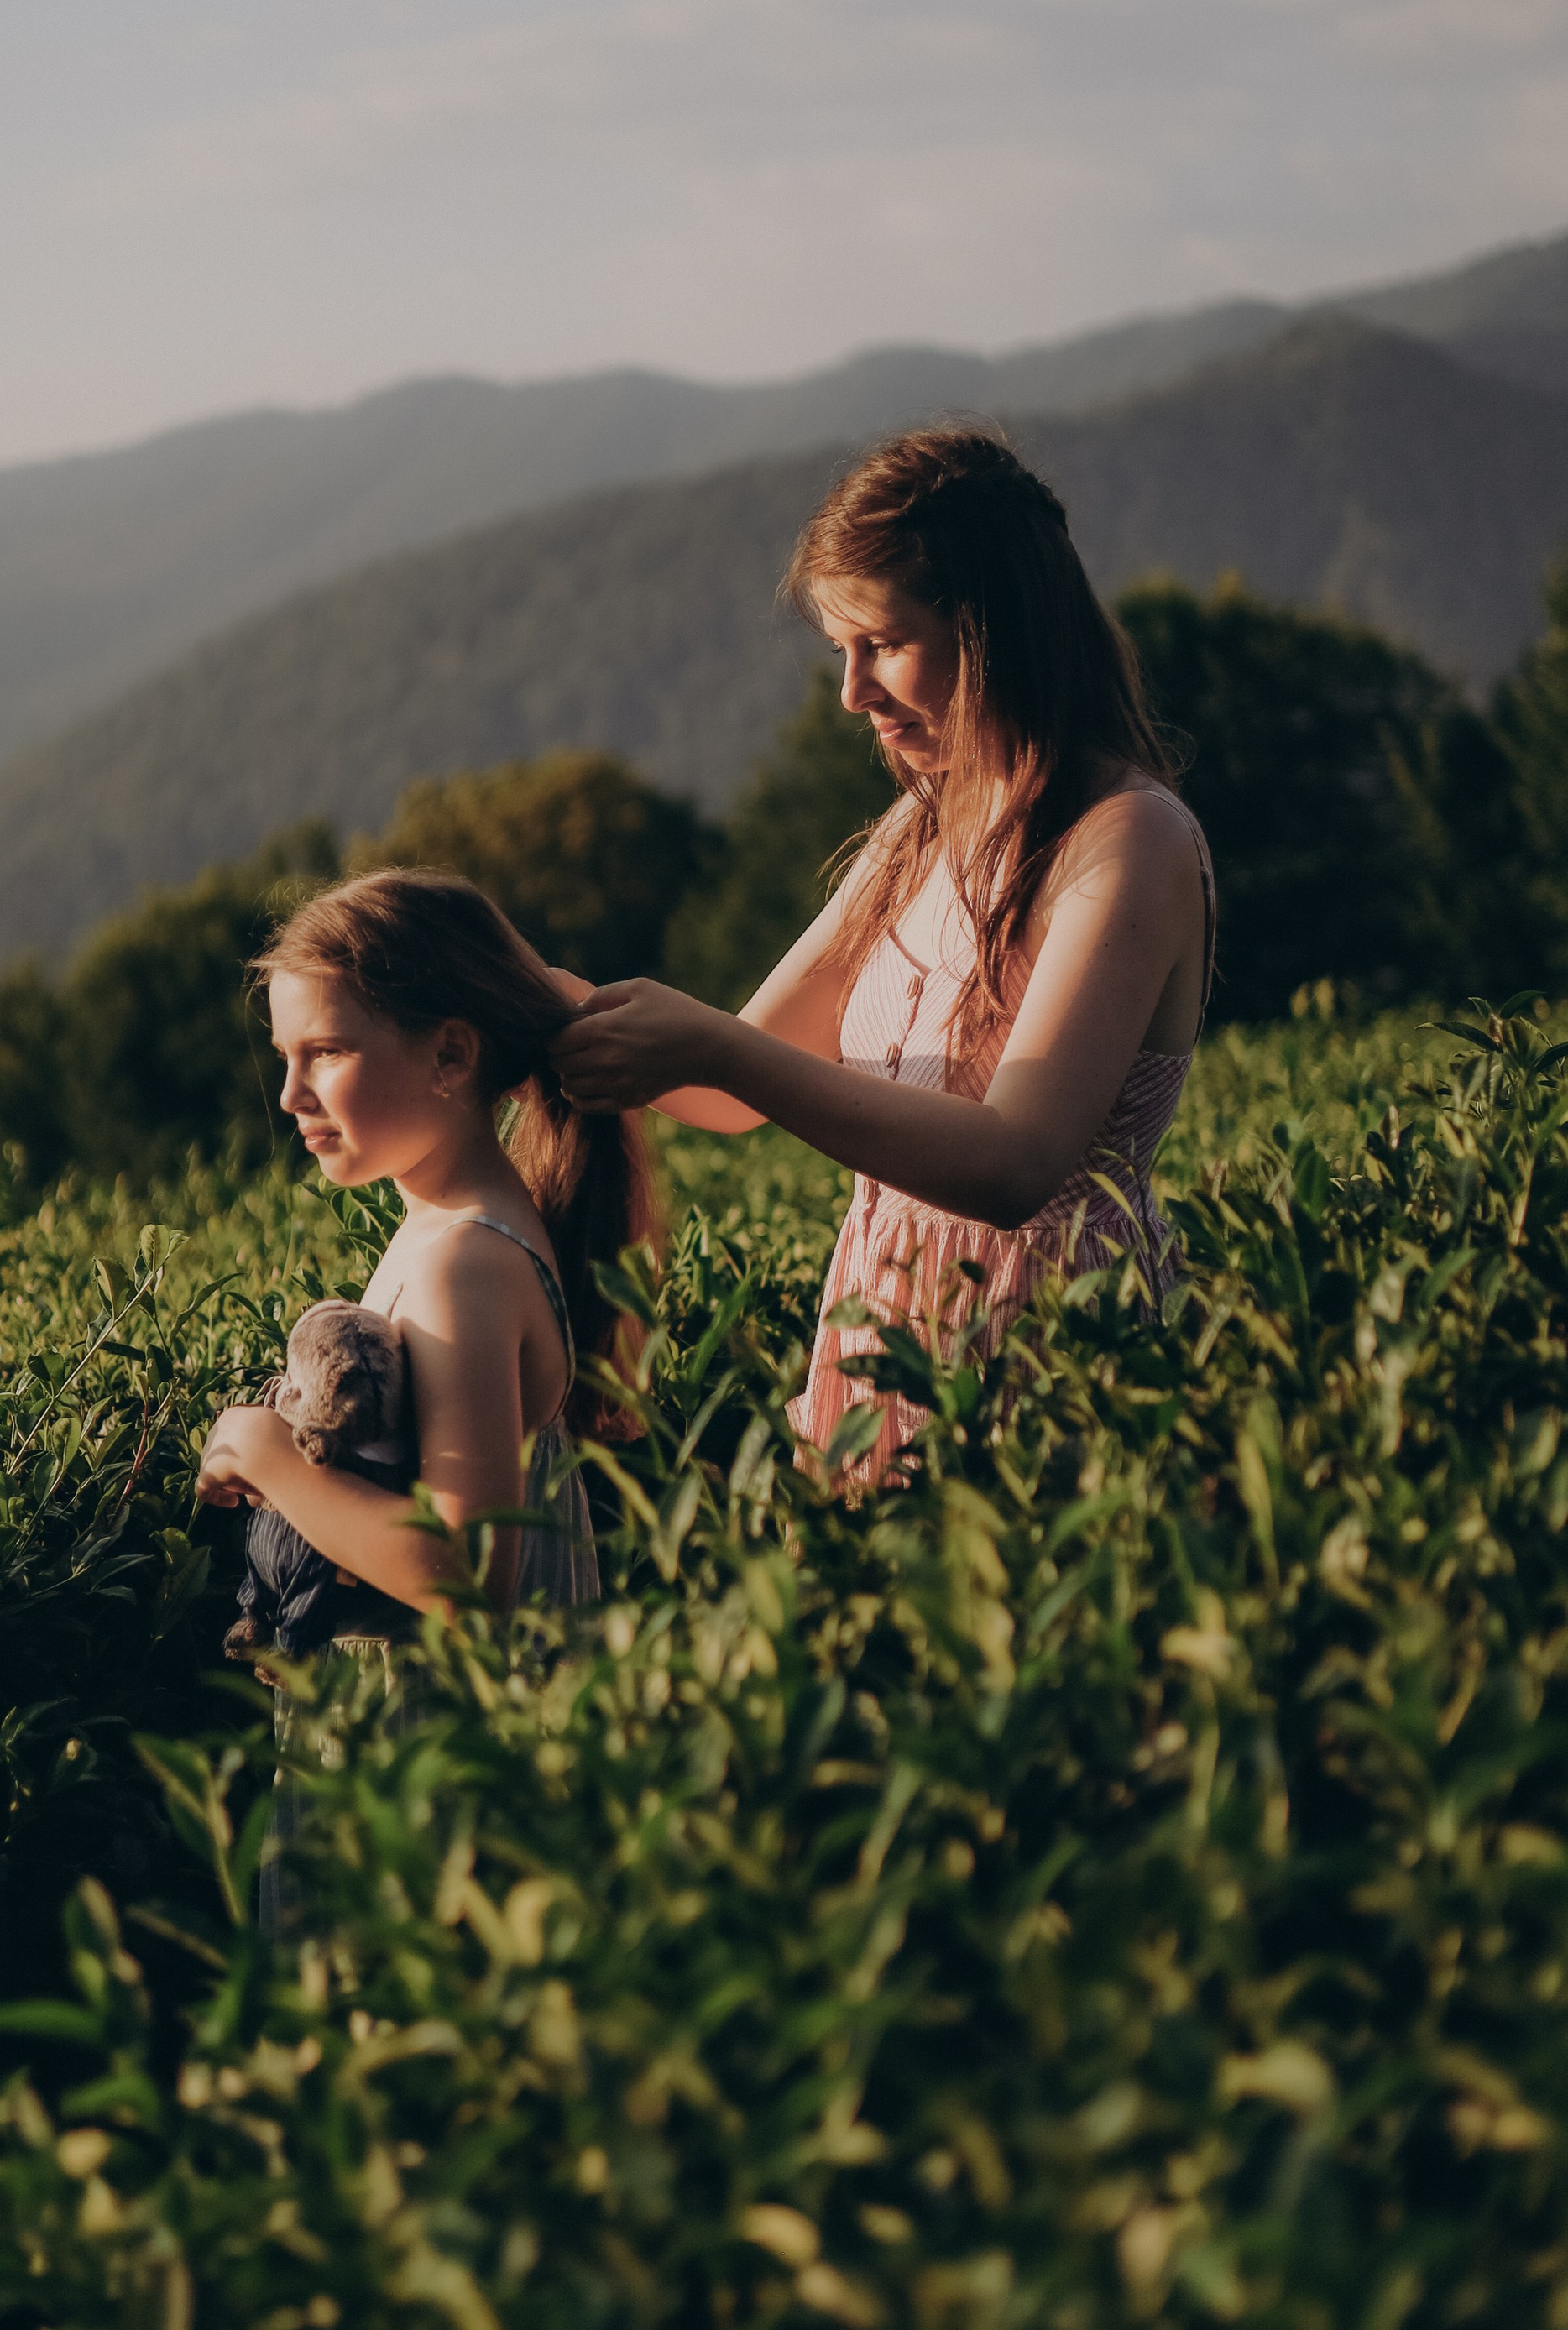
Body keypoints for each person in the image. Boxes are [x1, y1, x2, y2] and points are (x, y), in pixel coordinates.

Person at [552, 425, 1215, 1485]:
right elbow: (729, 1079)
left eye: (884, 644)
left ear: (997, 628)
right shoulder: (919, 830)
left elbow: (1015, 1165)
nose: (852, 693)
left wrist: (717, 1054)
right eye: (839, 653)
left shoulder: (1127, 841)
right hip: (882, 1332)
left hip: (1054, 1352)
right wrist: (532, 1001)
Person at [196, 870, 659, 1924]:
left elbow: (465, 1568)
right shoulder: (447, 1233)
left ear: (452, 1053)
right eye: (284, 1058)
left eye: (327, 1052)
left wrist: (259, 1448)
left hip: (433, 1776)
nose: (290, 1096)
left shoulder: (464, 1263)